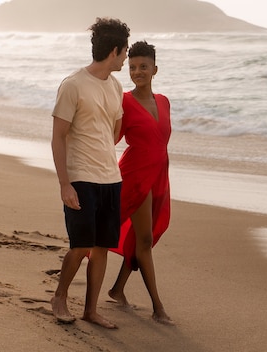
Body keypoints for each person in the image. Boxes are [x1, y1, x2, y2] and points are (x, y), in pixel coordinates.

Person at [50, 17, 130, 329]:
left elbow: (114, 128)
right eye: (124, 52)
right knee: (81, 244)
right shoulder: (73, 85)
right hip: (81, 178)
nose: (125, 58)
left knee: (102, 247)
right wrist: (64, 183)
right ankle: (59, 296)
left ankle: (91, 310)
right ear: (114, 50)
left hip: (111, 178)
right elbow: (58, 135)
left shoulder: (115, 85)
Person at [107, 41, 174, 325]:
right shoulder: (123, 101)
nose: (137, 72)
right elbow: (111, 138)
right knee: (144, 240)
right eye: (132, 67)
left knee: (140, 237)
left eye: (143, 66)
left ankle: (117, 289)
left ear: (154, 69)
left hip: (159, 175)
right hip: (134, 175)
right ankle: (158, 309)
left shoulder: (164, 101)